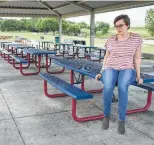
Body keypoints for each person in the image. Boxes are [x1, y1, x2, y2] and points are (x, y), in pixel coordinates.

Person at [95, 14, 143, 135]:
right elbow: (106, 57)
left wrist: (138, 75)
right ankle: (106, 116)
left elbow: (137, 59)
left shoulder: (136, 38)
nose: (118, 28)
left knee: (122, 87)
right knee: (108, 87)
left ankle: (121, 120)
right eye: (116, 26)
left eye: (121, 25)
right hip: (111, 67)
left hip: (127, 68)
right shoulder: (111, 39)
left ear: (127, 25)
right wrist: (101, 72)